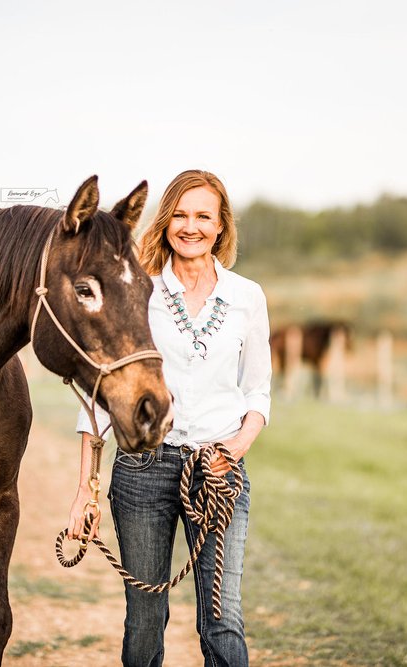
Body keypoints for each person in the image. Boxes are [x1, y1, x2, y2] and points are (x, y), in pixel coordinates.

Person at [66, 169, 271, 667]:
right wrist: (84, 492)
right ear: (165, 222)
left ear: (221, 226)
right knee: (144, 619)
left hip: (219, 470)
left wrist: (236, 449)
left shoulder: (248, 297)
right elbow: (96, 400)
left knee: (223, 619)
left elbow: (257, 392)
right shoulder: (140, 292)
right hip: (143, 471)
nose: (190, 226)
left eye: (203, 215)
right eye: (179, 214)